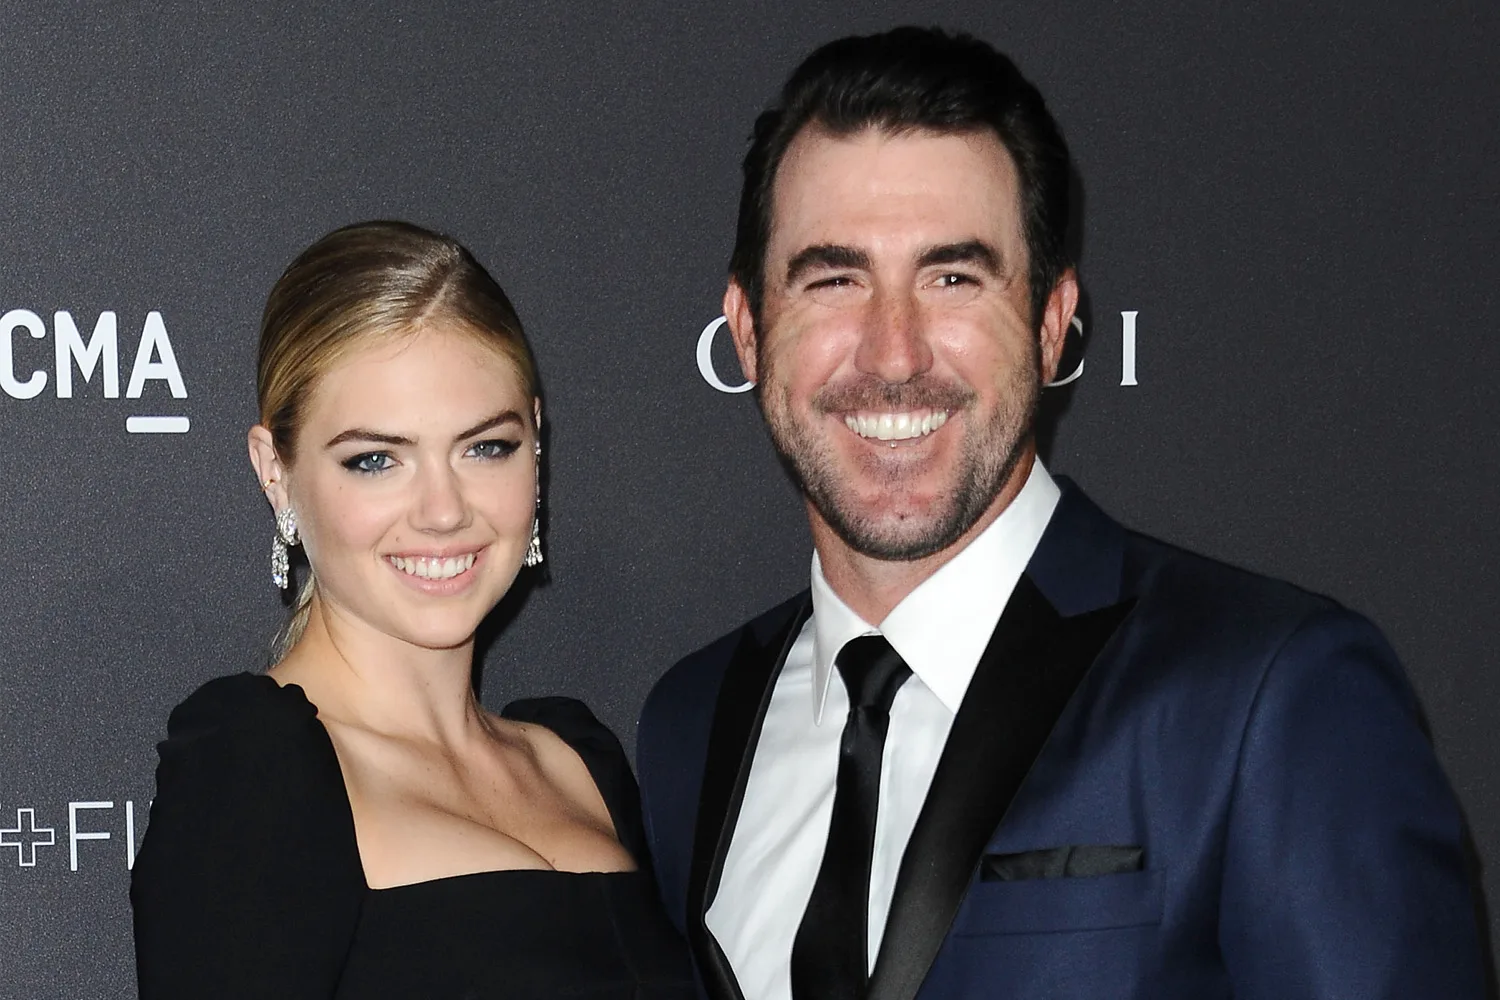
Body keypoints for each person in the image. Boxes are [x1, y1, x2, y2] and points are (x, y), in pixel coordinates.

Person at [636, 26, 1487, 1000]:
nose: (896, 350)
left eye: (953, 277)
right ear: (748, 330)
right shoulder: (689, 725)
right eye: (835, 278)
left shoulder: (1270, 695)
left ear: (1051, 324)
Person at [131, 221, 694, 999]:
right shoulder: (254, 775)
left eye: (486, 447)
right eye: (375, 460)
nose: (441, 510)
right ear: (277, 472)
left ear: (538, 439)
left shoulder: (579, 762)